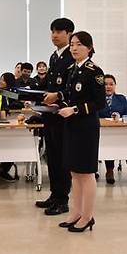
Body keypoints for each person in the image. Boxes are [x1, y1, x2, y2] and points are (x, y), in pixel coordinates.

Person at [56, 31, 105, 233]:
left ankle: (88, 216)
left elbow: (99, 102)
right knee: (74, 173)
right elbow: (70, 95)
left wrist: (75, 109)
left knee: (86, 173)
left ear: (89, 47)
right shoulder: (72, 69)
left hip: (86, 127)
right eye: (72, 44)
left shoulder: (95, 72)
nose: (74, 48)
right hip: (72, 126)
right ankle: (76, 213)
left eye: (78, 44)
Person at [39, 18, 76, 216]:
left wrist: (58, 97)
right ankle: (55, 194)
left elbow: (71, 88)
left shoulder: (72, 57)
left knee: (62, 158)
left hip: (64, 116)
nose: (54, 35)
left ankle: (63, 199)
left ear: (69, 34)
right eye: (52, 31)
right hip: (50, 115)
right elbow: (52, 86)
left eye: (59, 31)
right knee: (51, 156)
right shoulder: (54, 57)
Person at [100, 74, 127, 184]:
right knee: (109, 143)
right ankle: (109, 170)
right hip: (104, 132)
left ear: (115, 86)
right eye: (105, 84)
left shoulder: (121, 98)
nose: (108, 87)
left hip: (122, 131)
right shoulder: (97, 100)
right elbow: (95, 115)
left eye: (111, 84)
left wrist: (119, 117)